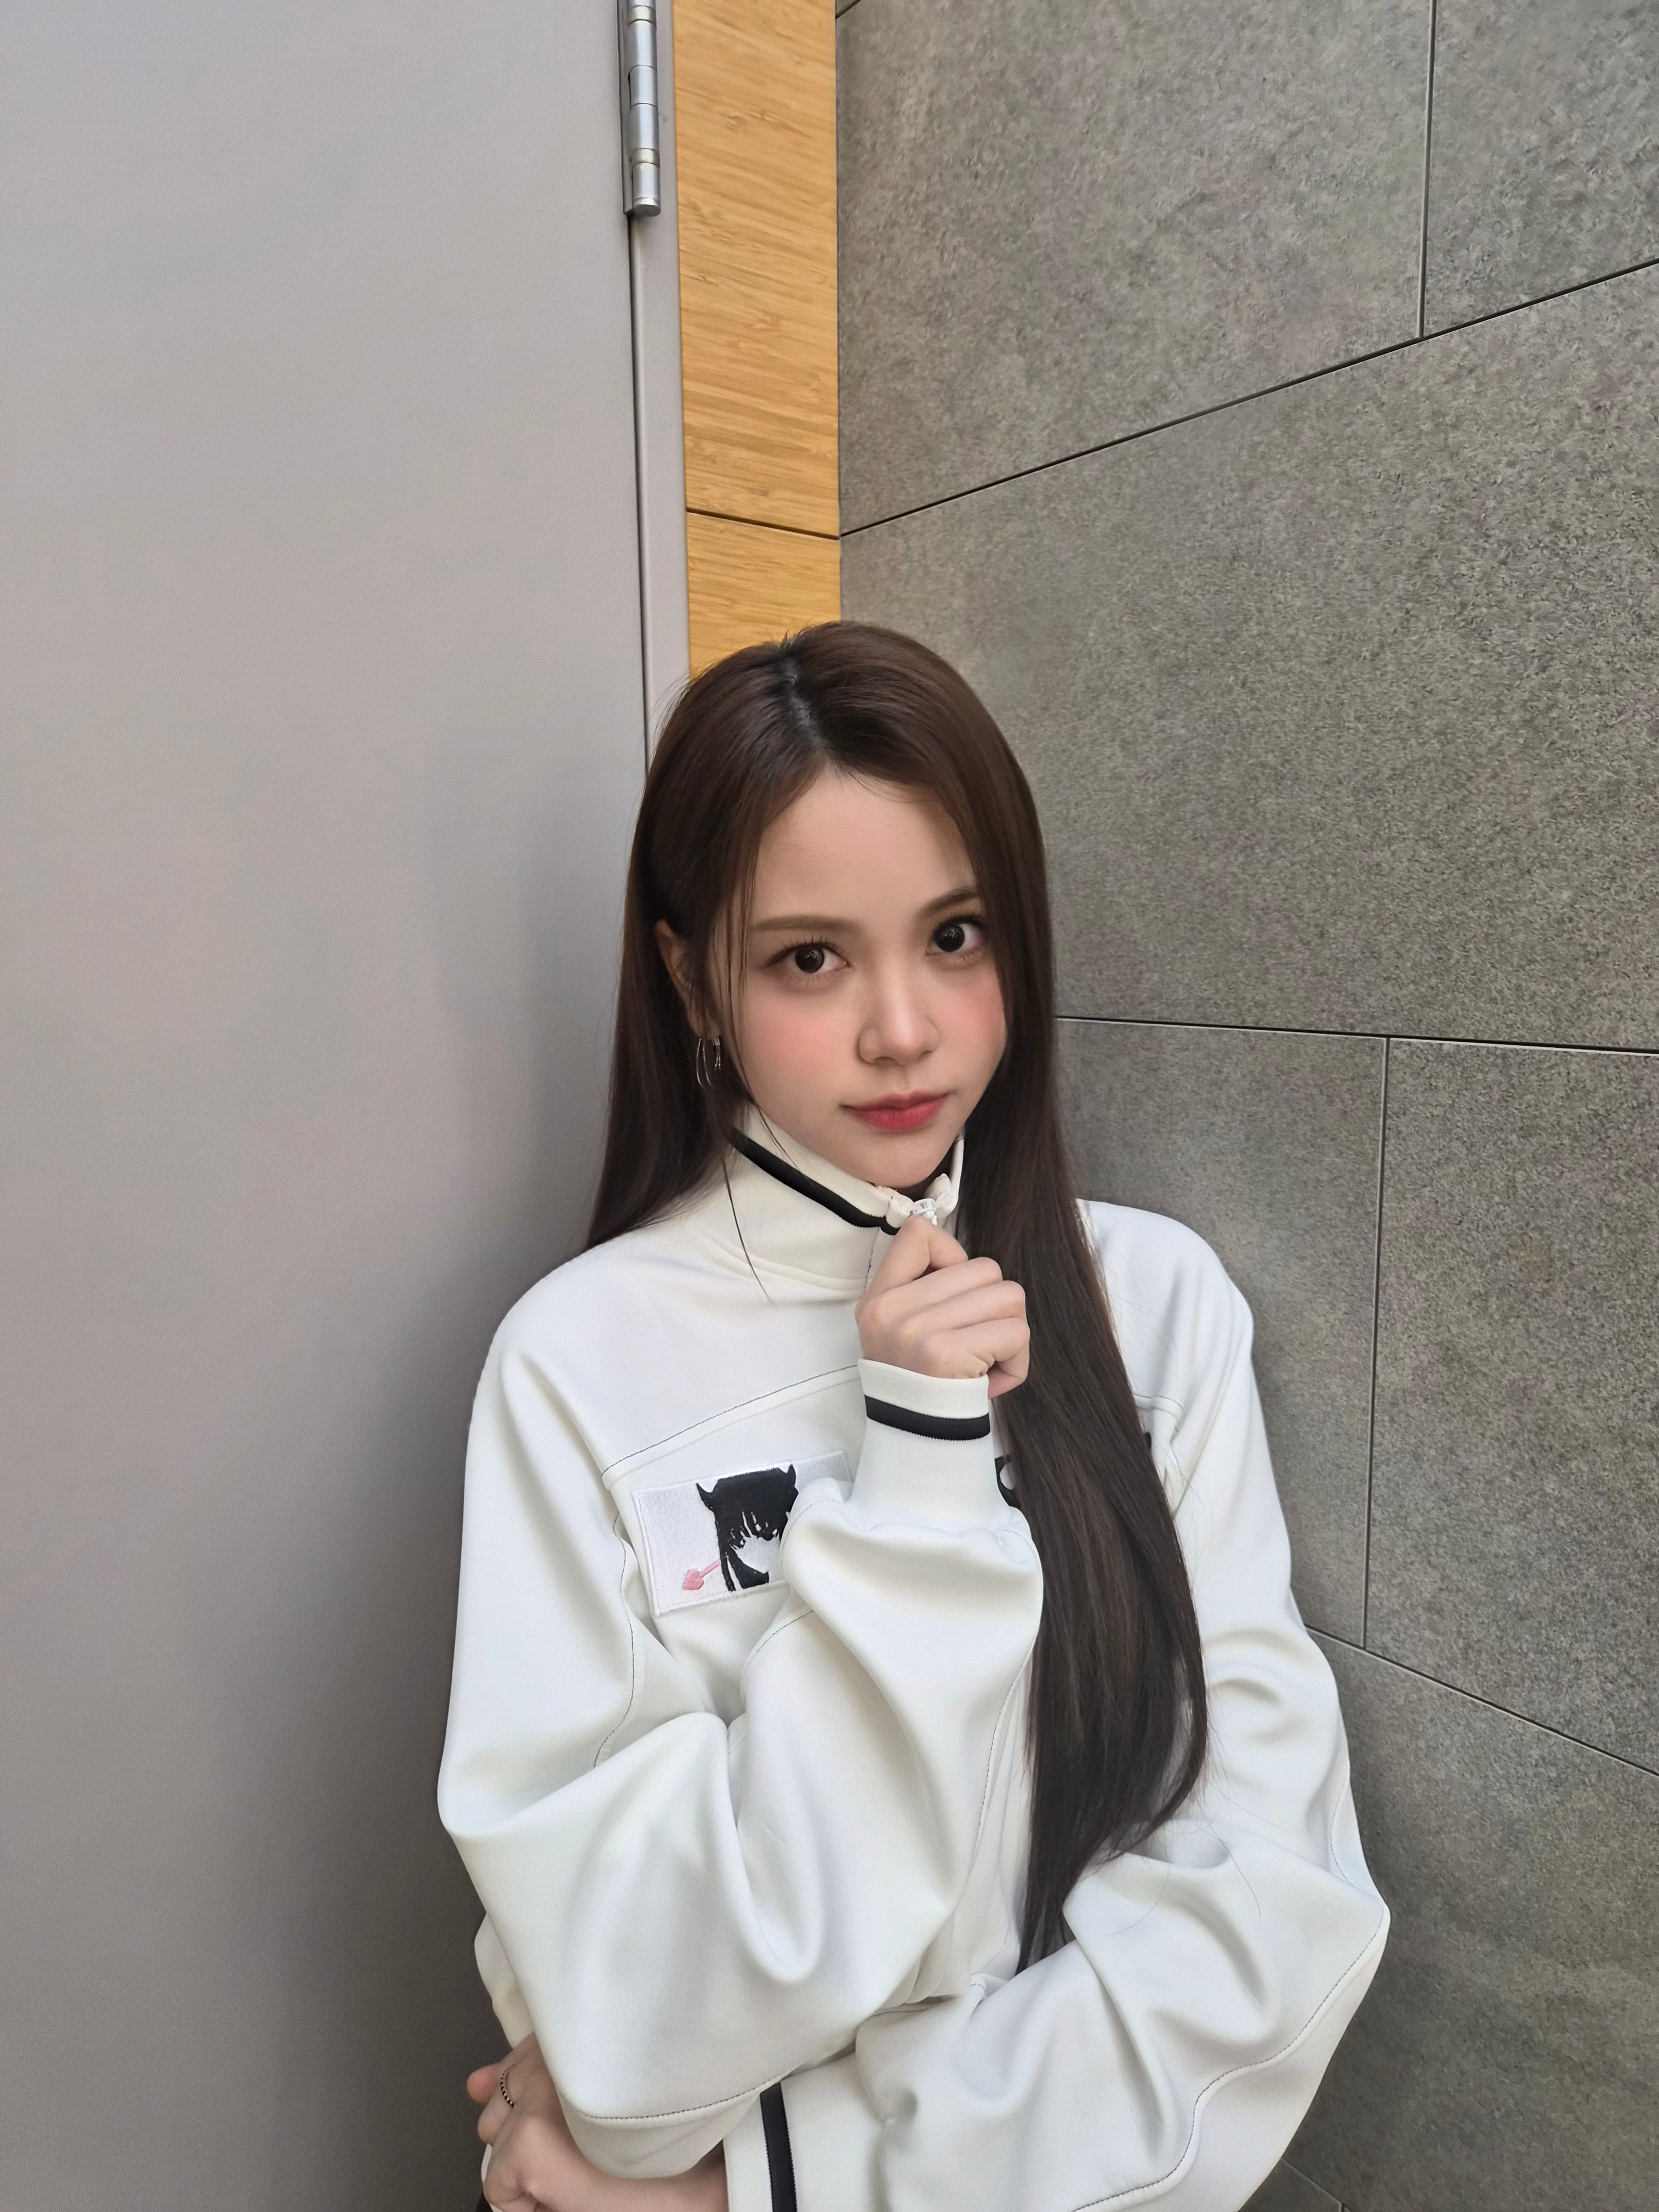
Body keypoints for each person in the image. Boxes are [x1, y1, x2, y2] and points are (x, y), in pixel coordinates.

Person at [437, 623, 1388, 2212]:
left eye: (956, 936)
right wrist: (921, 1473)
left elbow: (1268, 1919)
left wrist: (761, 2187)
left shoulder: (1156, 1308)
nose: (904, 1029)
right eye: (810, 959)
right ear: (692, 978)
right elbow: (635, 2013)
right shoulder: (577, 1364)